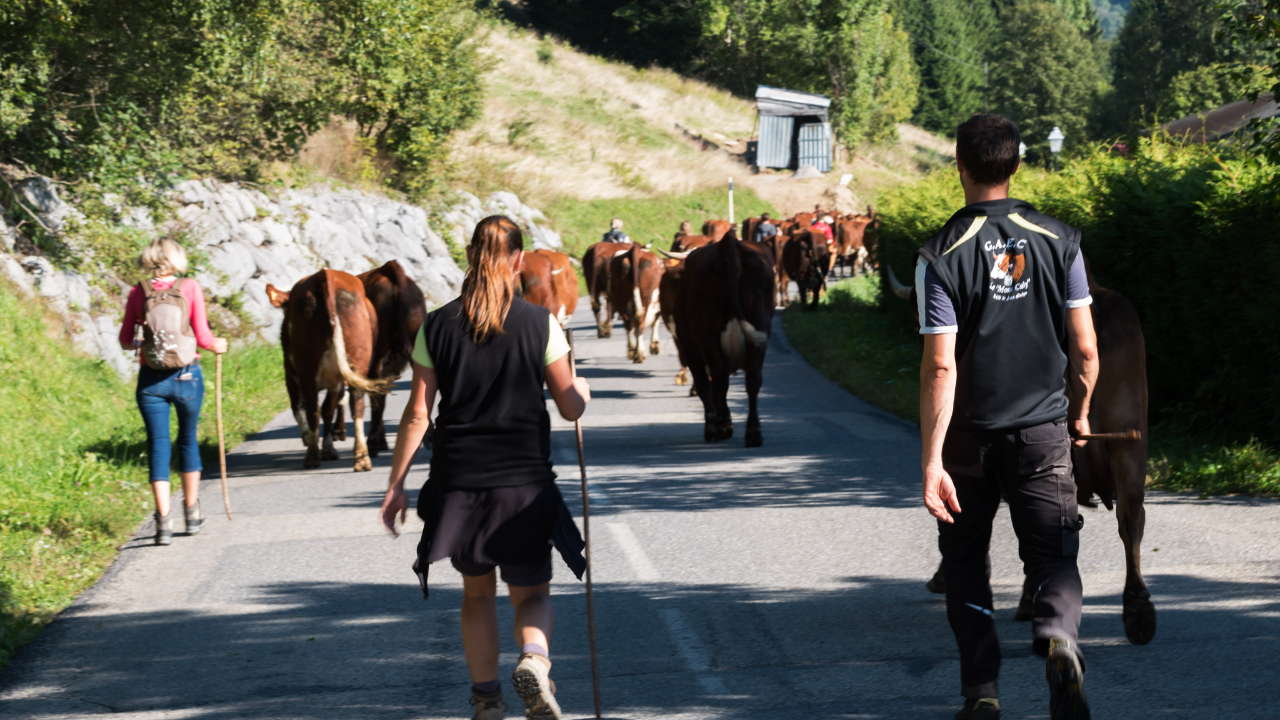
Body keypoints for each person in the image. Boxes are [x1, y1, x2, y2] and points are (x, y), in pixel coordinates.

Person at [915, 114, 1098, 720]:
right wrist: (1082, 412)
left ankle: (983, 695)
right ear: (1016, 165)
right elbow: (1087, 348)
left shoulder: (938, 256)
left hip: (968, 442)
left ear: (959, 166)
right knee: (1053, 556)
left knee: (966, 566)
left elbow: (942, 368)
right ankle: (1058, 635)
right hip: (1043, 432)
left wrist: (932, 459)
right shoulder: (1062, 240)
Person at [379, 215, 592, 720]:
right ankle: (535, 662)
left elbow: (416, 413)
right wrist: (581, 390)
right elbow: (570, 407)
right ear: (519, 261)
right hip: (523, 485)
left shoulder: (436, 325)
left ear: (471, 256)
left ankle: (486, 702)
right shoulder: (542, 323)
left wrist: (395, 485)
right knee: (533, 592)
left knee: (477, 596)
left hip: (460, 484)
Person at [118, 237, 228, 546]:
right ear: (176, 259)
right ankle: (191, 515)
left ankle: (162, 523)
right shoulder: (189, 287)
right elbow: (204, 337)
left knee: (158, 446)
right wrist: (217, 345)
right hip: (187, 376)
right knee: (187, 441)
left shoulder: (138, 291)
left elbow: (126, 339)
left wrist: (143, 345)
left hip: (151, 381)